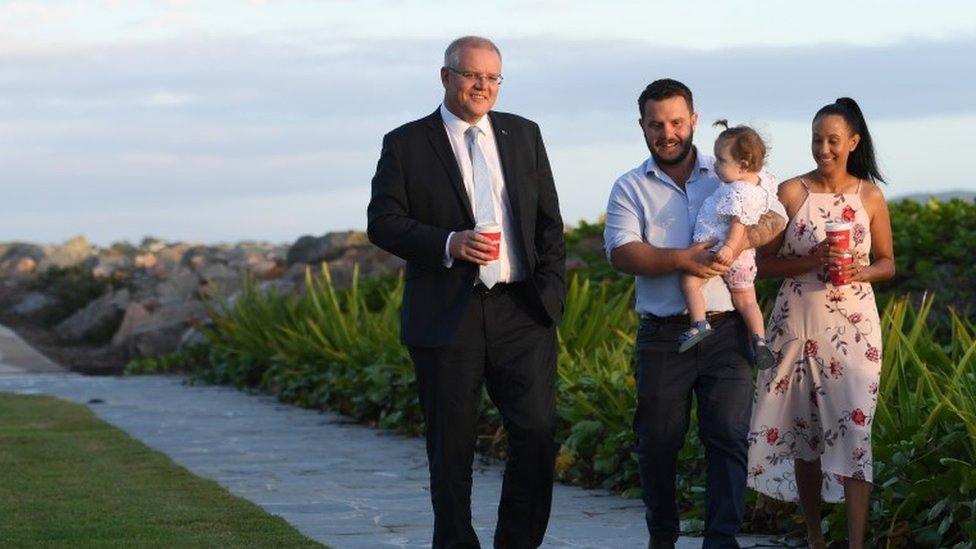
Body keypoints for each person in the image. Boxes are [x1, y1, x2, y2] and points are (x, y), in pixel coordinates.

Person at [367, 36, 565, 548]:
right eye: (472, 75)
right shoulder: (406, 143)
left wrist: (549, 298)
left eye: (492, 77)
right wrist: (449, 242)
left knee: (537, 433)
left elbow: (549, 225)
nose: (482, 86)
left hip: (521, 311)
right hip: (446, 316)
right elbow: (383, 223)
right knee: (450, 448)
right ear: (446, 77)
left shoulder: (524, 134)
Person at [603, 78, 786, 549]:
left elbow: (772, 219)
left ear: (694, 121)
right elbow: (622, 253)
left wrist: (737, 242)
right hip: (664, 336)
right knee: (658, 444)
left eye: (677, 122)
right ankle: (662, 538)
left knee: (727, 437)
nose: (668, 133)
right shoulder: (629, 187)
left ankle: (720, 541)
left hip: (727, 332)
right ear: (642, 126)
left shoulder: (731, 168)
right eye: (657, 124)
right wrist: (684, 260)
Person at [747, 97, 895, 549]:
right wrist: (809, 260)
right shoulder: (791, 193)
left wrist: (859, 270)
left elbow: (887, 263)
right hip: (798, 326)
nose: (823, 148)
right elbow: (759, 264)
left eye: (833, 140)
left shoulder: (870, 195)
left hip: (855, 331)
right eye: (817, 139)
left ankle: (855, 543)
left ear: (852, 142)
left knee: (855, 431)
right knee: (805, 435)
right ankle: (814, 537)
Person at [678, 121, 777, 370]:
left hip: (720, 250)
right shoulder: (761, 183)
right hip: (745, 260)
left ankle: (699, 324)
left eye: (721, 160)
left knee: (689, 282)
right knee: (746, 299)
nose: (715, 165)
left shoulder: (737, 192)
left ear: (742, 165)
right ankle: (760, 341)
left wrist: (729, 249)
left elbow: (738, 224)